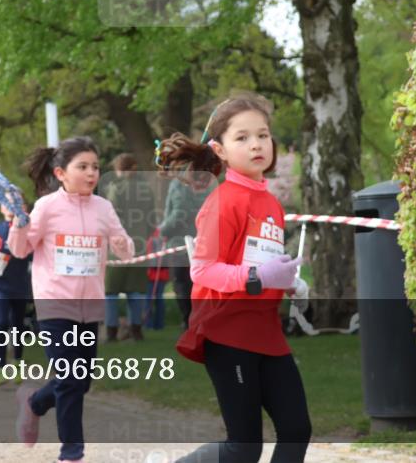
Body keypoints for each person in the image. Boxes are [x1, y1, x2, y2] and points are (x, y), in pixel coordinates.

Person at [155, 95, 312, 463]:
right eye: (242, 138)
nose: (256, 144)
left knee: (296, 429)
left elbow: (261, 263)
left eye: (263, 135)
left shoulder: (271, 204)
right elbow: (204, 270)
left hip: (266, 333)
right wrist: (257, 275)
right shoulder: (224, 200)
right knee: (244, 447)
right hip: (227, 332)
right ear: (219, 150)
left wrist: (292, 284)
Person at [9, 136, 135, 463]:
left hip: (90, 306)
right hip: (55, 304)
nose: (92, 173)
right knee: (69, 379)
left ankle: (34, 402)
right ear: (61, 173)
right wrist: (18, 226)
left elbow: (125, 245)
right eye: (83, 167)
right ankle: (72, 453)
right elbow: (21, 249)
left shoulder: (104, 208)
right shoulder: (47, 207)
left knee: (81, 381)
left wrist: (123, 243)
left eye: (95, 166)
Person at [102, 154, 153, 342]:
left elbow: (110, 218)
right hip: (139, 246)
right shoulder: (146, 190)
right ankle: (136, 330)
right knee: (136, 290)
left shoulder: (114, 189)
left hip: (117, 248)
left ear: (120, 169)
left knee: (110, 292)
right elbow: (151, 221)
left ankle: (111, 332)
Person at [154, 175, 215, 330]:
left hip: (181, 242)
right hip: (206, 240)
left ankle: (189, 321)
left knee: (182, 284)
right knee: (200, 283)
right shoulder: (210, 181)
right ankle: (199, 320)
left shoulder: (179, 183)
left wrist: (163, 230)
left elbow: (179, 213)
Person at [0, 201, 32, 382]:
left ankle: (18, 363)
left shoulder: (26, 228)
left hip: (19, 284)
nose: (10, 206)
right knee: (2, 322)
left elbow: (34, 250)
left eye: (15, 203)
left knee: (18, 325)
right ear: (1, 208)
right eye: (6, 203)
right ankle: (1, 366)